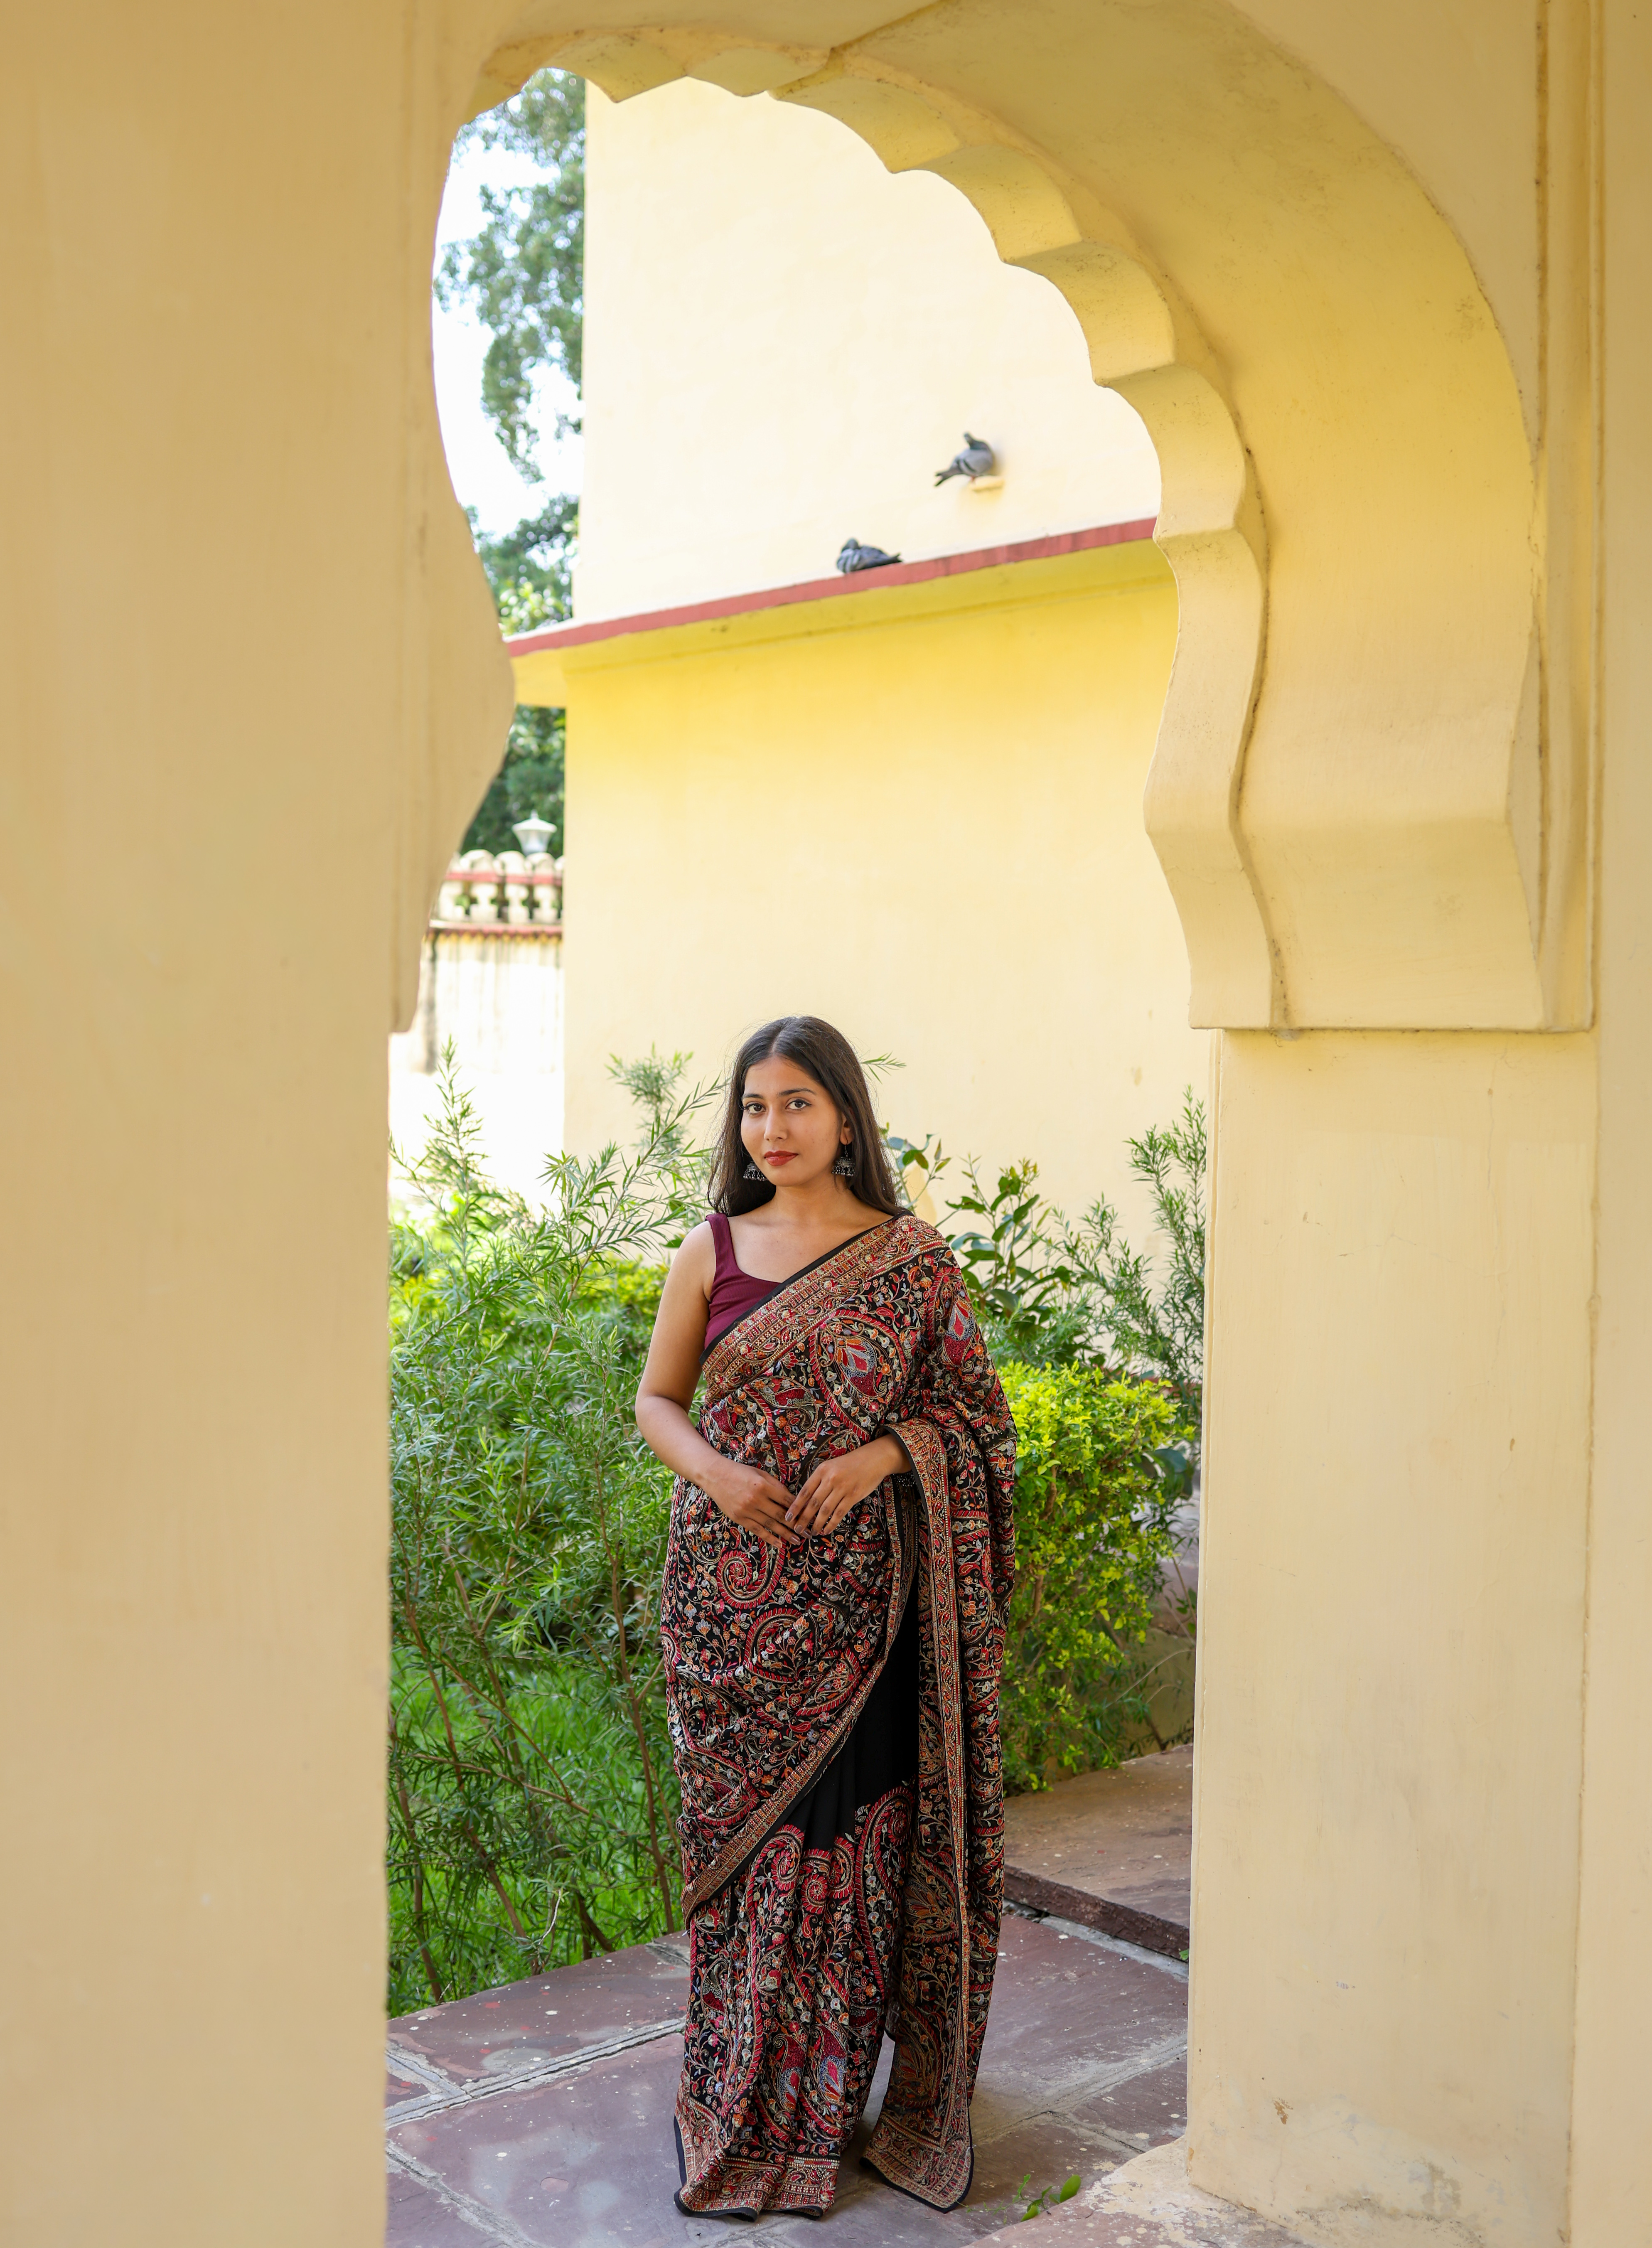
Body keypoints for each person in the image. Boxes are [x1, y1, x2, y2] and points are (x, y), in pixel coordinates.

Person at [635, 1015, 1017, 2220]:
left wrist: (887, 1456)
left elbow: (979, 1420)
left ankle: (824, 2104)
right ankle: (738, 2097)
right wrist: (718, 1475)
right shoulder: (712, 1250)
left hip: (865, 1609)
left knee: (846, 1844)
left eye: (797, 1103)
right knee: (748, 1856)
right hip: (728, 1612)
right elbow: (658, 1400)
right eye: (755, 1106)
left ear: (846, 1116)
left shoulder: (910, 1261)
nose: (773, 1128)